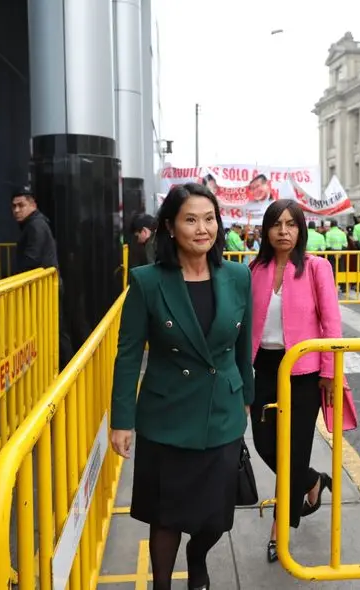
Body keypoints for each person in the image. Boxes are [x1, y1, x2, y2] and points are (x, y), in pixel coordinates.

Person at [109, 183, 254, 590]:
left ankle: (199, 555)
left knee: (215, 516)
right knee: (166, 514)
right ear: (171, 227)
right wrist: (122, 420)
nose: (202, 228)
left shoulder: (239, 276)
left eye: (209, 219)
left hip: (221, 413)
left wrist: (246, 397)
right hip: (167, 415)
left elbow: (244, 347)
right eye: (191, 219)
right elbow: (128, 354)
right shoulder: (147, 281)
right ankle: (161, 585)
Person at [247, 200, 343, 564]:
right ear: (266, 230)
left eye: (291, 224)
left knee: (293, 452)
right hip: (265, 369)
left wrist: (330, 372)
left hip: (304, 375)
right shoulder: (253, 269)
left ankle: (279, 534)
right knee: (265, 446)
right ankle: (311, 481)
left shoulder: (317, 267)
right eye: (276, 224)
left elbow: (332, 324)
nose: (283, 231)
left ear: (301, 229)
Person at [11, 189, 73, 365]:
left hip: (45, 288)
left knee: (55, 329)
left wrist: (13, 279)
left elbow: (31, 258)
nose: (16, 210)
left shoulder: (35, 225)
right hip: (45, 287)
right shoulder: (36, 224)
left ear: (33, 205)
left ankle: (65, 369)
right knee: (54, 328)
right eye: (14, 206)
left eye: (21, 205)